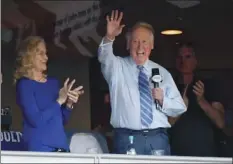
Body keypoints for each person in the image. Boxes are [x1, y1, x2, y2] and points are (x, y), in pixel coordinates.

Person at [97, 10, 186, 155]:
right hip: (127, 138)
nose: (140, 48)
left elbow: (179, 107)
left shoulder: (162, 72)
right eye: (135, 42)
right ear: (128, 44)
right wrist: (109, 37)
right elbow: (103, 57)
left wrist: (163, 100)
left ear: (151, 46)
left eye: (144, 42)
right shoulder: (117, 67)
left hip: (157, 138)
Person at [14, 36, 84, 152]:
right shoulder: (24, 85)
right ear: (29, 56)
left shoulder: (53, 83)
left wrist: (69, 104)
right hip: (40, 149)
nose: (46, 57)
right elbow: (35, 120)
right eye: (41, 53)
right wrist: (59, 101)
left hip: (62, 148)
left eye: (46, 53)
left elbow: (61, 120)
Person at [169, 43, 225, 157]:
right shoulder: (168, 86)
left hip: (205, 155)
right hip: (176, 154)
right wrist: (179, 109)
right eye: (180, 57)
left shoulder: (208, 86)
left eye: (188, 57)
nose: (183, 61)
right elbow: (162, 125)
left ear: (195, 61)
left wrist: (202, 101)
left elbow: (220, 123)